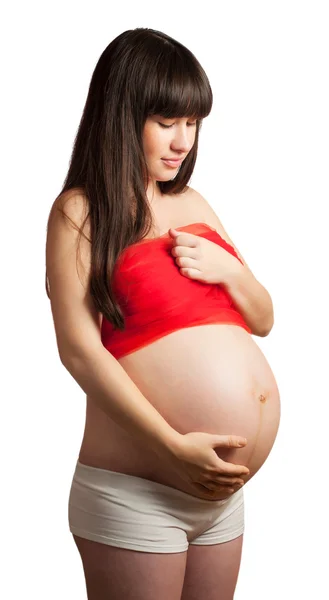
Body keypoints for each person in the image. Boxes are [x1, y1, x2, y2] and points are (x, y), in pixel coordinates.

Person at [45, 27, 280, 600]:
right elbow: (79, 351)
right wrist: (172, 447)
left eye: (192, 123)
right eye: (166, 122)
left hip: (220, 498)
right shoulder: (80, 212)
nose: (182, 142)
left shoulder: (194, 204)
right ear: (123, 116)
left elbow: (263, 318)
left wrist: (230, 273)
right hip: (136, 489)